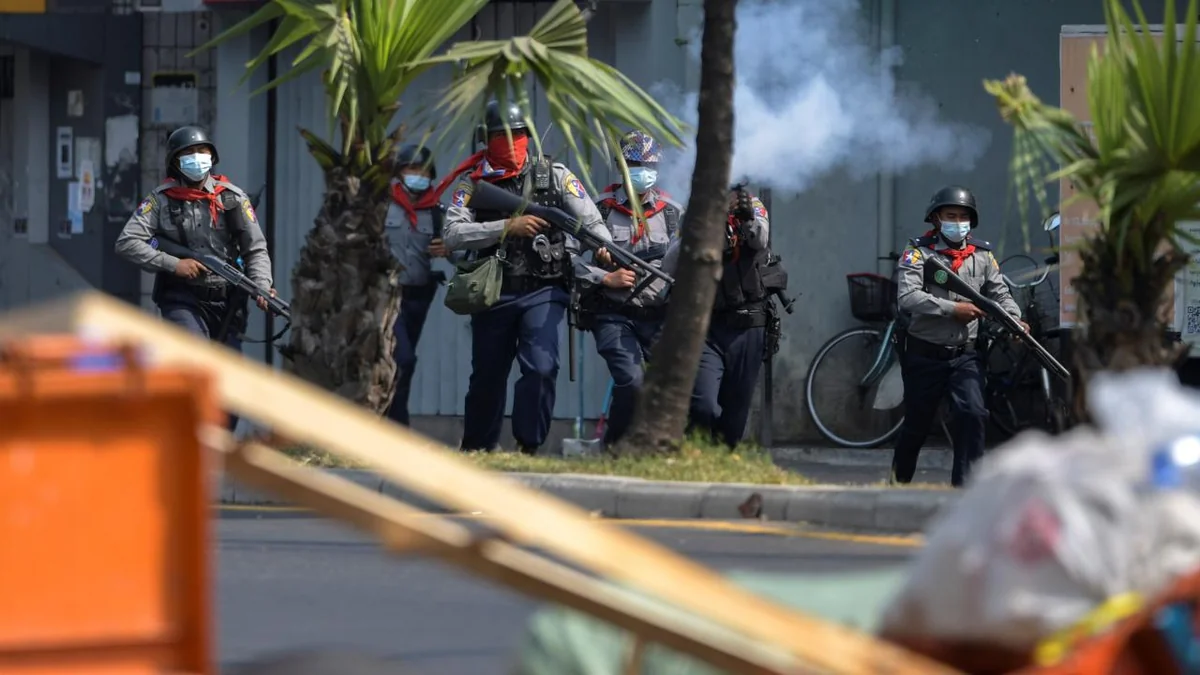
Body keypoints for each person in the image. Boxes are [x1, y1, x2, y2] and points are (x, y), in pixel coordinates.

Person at [442, 100, 617, 455]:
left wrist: (604, 247)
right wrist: (506, 227)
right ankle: (478, 447)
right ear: (486, 140)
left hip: (544, 288)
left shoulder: (554, 175)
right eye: (502, 136)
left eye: (518, 134)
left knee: (541, 367)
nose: (511, 142)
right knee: (488, 377)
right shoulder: (472, 183)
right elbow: (452, 235)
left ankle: (529, 446)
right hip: (493, 291)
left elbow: (592, 221)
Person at [114, 125, 276, 429]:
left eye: (202, 152)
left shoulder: (232, 198)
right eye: (188, 154)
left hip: (227, 304)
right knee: (196, 366)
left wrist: (262, 287)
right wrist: (173, 263)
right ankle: (188, 440)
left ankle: (218, 448)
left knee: (231, 385)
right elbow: (127, 242)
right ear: (175, 161)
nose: (197, 158)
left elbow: (255, 249)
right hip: (182, 299)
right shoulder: (160, 201)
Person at [891, 185, 1027, 488]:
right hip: (924, 354)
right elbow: (908, 297)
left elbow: (999, 293)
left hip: (965, 355)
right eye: (950, 215)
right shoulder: (918, 252)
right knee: (916, 427)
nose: (957, 222)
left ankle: (965, 494)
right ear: (936, 219)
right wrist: (953, 309)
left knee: (973, 414)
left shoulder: (982, 255)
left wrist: (1015, 320)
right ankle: (897, 485)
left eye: (963, 216)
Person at [583, 130, 683, 446]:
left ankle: (655, 448)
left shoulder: (672, 212)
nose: (643, 170)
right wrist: (603, 276)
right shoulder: (598, 209)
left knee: (669, 386)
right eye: (635, 163)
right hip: (614, 313)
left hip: (659, 315)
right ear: (621, 165)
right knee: (631, 380)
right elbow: (567, 259)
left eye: (649, 164)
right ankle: (612, 445)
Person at [658, 185, 775, 448]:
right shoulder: (695, 212)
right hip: (707, 328)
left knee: (734, 419)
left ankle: (720, 462)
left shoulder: (753, 207)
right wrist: (697, 231)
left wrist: (746, 218)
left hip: (747, 326)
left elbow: (761, 240)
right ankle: (696, 450)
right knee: (703, 405)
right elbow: (669, 264)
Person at [383, 144, 453, 426]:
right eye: (411, 169)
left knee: (404, 363)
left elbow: (461, 254)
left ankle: (389, 419)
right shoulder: (381, 205)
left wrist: (447, 249)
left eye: (423, 171)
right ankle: (396, 424)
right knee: (404, 358)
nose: (417, 175)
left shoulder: (437, 212)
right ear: (399, 172)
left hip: (418, 297)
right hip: (386, 297)